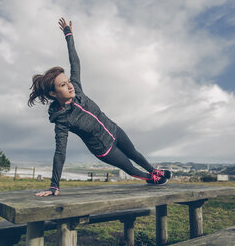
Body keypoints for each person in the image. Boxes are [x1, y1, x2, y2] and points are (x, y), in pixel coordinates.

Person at [29, 18, 172, 196]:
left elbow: (75, 62)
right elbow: (60, 153)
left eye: (68, 81)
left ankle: (153, 171)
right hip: (104, 148)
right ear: (53, 94)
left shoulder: (77, 89)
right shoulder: (62, 120)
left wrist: (68, 35)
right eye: (63, 85)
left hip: (113, 129)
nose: (70, 85)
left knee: (134, 153)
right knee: (128, 166)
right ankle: (150, 178)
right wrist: (54, 186)